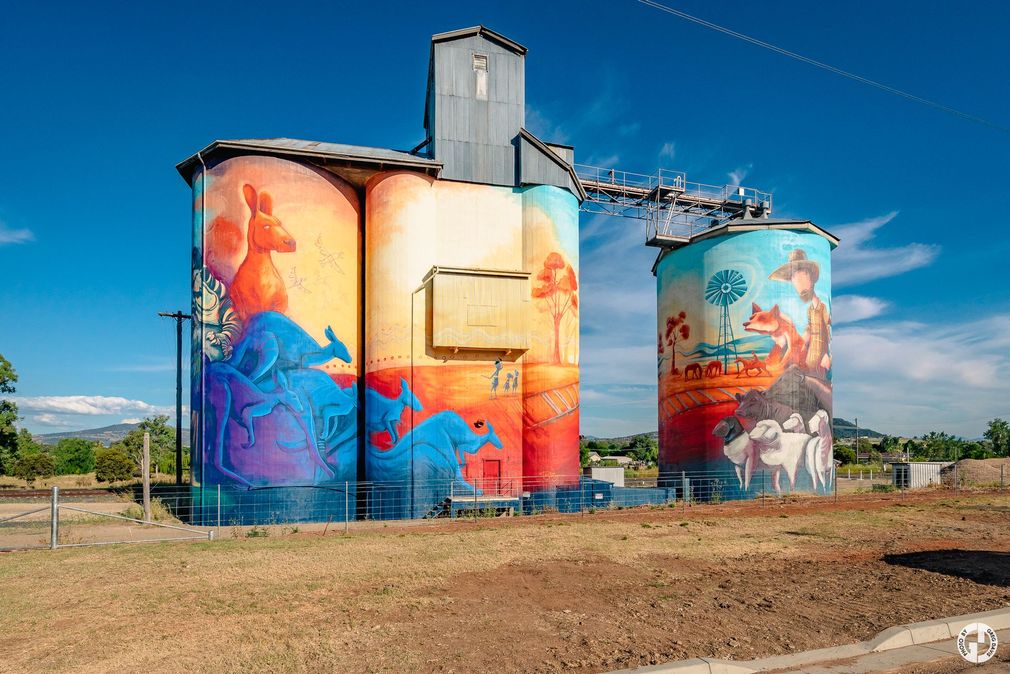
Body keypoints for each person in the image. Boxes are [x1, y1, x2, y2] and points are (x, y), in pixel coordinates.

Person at [769, 248, 831, 378]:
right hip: (810, 362)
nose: (795, 282)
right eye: (792, 277)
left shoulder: (823, 306)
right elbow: (809, 332)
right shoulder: (810, 309)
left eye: (797, 274)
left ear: (808, 274)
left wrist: (827, 355)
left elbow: (828, 330)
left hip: (821, 364)